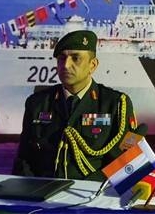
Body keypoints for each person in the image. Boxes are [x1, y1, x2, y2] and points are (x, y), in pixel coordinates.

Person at [12, 29, 138, 180]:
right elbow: (24, 159)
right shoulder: (37, 103)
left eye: (76, 58)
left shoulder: (115, 104)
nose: (66, 65)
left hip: (91, 193)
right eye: (61, 58)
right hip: (42, 191)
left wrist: (90, 190)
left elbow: (127, 161)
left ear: (93, 65)